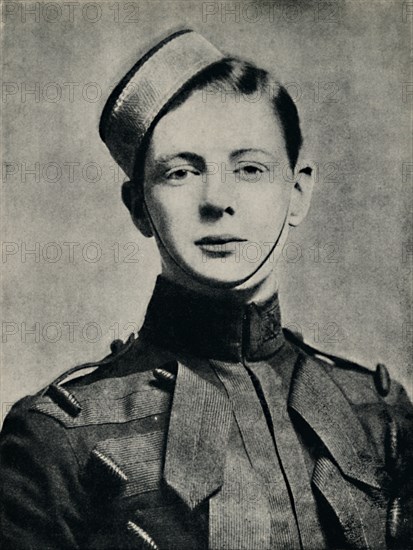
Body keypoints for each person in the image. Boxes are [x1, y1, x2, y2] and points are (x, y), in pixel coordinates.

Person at [1, 29, 412, 550]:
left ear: (298, 193)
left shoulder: (379, 415)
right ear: (138, 208)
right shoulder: (56, 440)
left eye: (250, 168)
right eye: (181, 171)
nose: (218, 199)